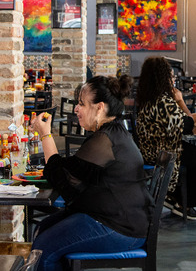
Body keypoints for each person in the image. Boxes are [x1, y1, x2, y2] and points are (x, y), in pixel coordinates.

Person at [30, 75, 149, 271]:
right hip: (115, 217)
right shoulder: (112, 132)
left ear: (99, 107)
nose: (76, 109)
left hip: (121, 228)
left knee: (44, 248)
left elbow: (65, 184)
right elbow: (70, 170)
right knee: (43, 228)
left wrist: (45, 134)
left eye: (82, 104)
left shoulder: (105, 139)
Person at [135, 57, 196, 220]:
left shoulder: (149, 97)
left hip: (153, 147)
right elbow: (184, 125)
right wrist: (182, 102)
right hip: (161, 151)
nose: (173, 79)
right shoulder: (162, 100)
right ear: (162, 78)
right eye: (170, 76)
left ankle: (175, 196)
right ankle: (183, 203)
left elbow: (181, 121)